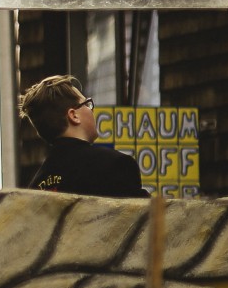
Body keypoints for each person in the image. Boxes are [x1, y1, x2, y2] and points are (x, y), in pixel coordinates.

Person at [18, 74, 147, 197]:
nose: (91, 110)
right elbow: (145, 217)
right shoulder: (116, 165)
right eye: (87, 104)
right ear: (74, 116)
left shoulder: (35, 188)